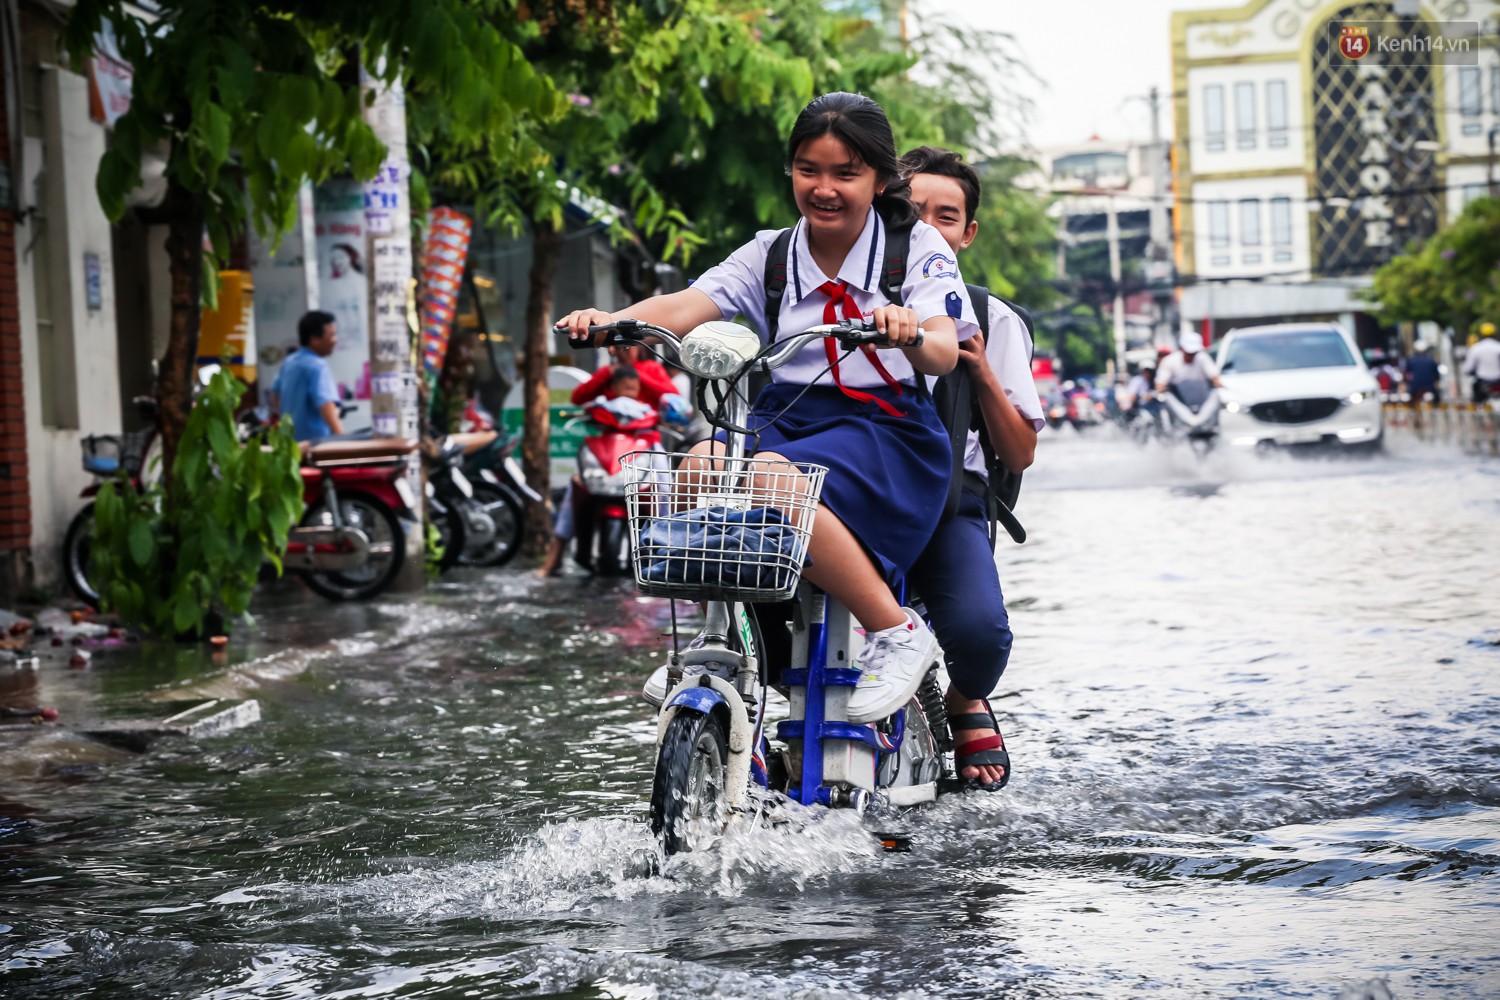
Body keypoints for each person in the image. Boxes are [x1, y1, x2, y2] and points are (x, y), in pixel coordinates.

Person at [559, 92, 975, 724]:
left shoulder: (915, 247)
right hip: (785, 416)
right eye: (809, 170)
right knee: (701, 462)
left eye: (845, 173)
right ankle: (719, 639)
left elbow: (944, 351)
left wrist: (910, 331)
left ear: (880, 179)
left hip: (887, 430)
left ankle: (896, 631)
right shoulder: (772, 254)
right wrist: (612, 319)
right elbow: (686, 304)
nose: (824, 189)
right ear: (791, 170)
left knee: (770, 476)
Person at [899, 145, 1045, 789]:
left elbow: (1019, 454)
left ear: (968, 234)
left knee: (983, 638)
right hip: (852, 498)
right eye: (912, 212)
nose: (929, 228)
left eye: (947, 216)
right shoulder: (845, 300)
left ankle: (964, 697)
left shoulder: (992, 319)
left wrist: (980, 369)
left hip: (948, 503)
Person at [269, 310, 344, 441]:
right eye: (331, 335)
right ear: (315, 340)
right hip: (313, 445)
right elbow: (326, 405)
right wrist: (342, 438)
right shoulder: (317, 366)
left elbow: (275, 395)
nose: (335, 340)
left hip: (290, 443)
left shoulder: (289, 362)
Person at [572, 343, 679, 408]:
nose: (623, 352)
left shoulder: (651, 367)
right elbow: (577, 398)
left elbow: (673, 395)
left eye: (628, 348)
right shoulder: (609, 371)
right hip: (614, 427)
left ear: (638, 348)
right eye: (620, 348)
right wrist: (605, 374)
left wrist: (639, 375)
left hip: (647, 428)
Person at [1155, 331, 1222, 433]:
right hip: (1180, 402)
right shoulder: (1169, 362)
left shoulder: (1203, 358)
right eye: (1189, 353)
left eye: (1194, 353)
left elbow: (1214, 376)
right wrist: (1160, 388)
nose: (1192, 356)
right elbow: (1161, 383)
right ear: (1182, 349)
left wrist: (1217, 383)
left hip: (1202, 401)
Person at [1462, 322, 1500, 403]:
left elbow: (1468, 368)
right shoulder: (1498, 347)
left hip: (1482, 382)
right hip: (1498, 381)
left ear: (1480, 334)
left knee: (1477, 404)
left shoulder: (1476, 348)